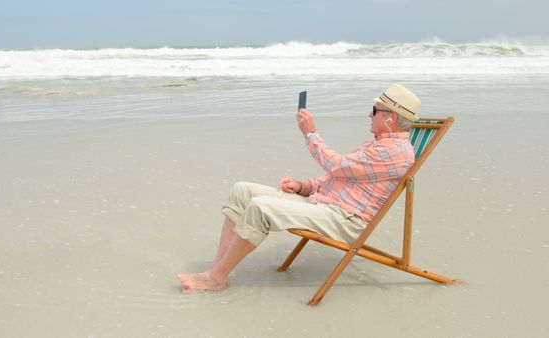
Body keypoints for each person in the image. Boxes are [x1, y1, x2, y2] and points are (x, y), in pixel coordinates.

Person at [177, 84, 420, 292]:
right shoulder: (379, 145)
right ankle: (218, 271)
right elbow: (340, 178)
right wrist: (303, 186)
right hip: (325, 205)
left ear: (392, 118)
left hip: (344, 219)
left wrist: (311, 133)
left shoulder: (393, 152)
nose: (370, 114)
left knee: (261, 207)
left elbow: (335, 166)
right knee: (242, 190)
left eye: (375, 110)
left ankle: (214, 278)